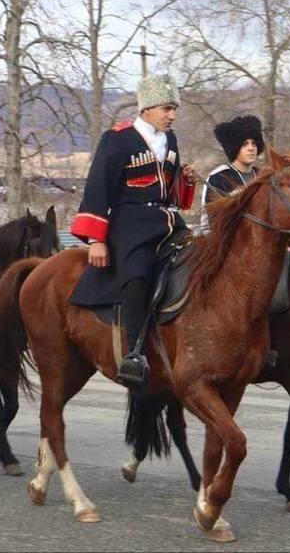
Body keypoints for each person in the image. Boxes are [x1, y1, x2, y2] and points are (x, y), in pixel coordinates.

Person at [69, 74, 198, 387]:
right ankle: (135, 354)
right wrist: (97, 240)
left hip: (168, 224)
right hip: (129, 227)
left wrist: (185, 181)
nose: (172, 115)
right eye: (167, 108)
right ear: (147, 108)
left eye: (174, 109)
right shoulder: (117, 139)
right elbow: (98, 188)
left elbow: (170, 196)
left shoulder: (172, 141)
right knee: (137, 276)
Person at [200, 115, 264, 226]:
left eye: (254, 143)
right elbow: (214, 218)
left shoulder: (262, 176)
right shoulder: (219, 177)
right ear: (234, 147)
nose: (251, 148)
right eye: (245, 144)